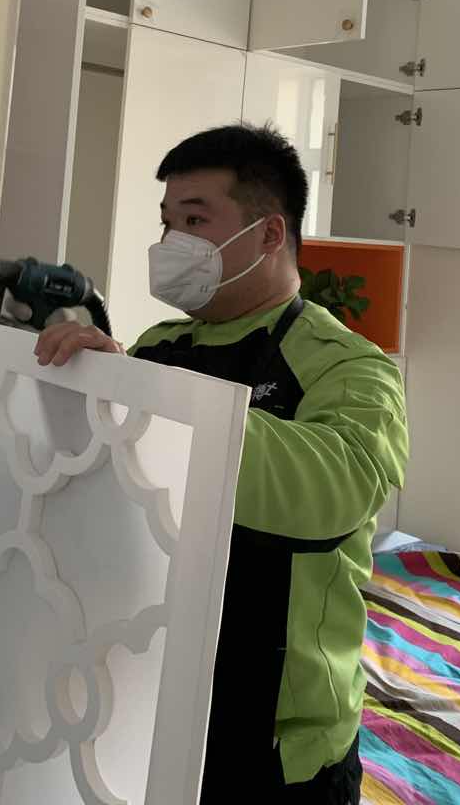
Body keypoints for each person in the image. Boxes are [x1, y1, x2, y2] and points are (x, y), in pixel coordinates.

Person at [36, 123, 408, 803]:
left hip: (277, 737)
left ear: (269, 234)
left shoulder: (347, 365)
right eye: (166, 222)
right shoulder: (158, 346)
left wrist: (151, 403)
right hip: (146, 698)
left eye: (195, 220)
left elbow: (337, 490)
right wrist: (81, 388)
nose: (169, 242)